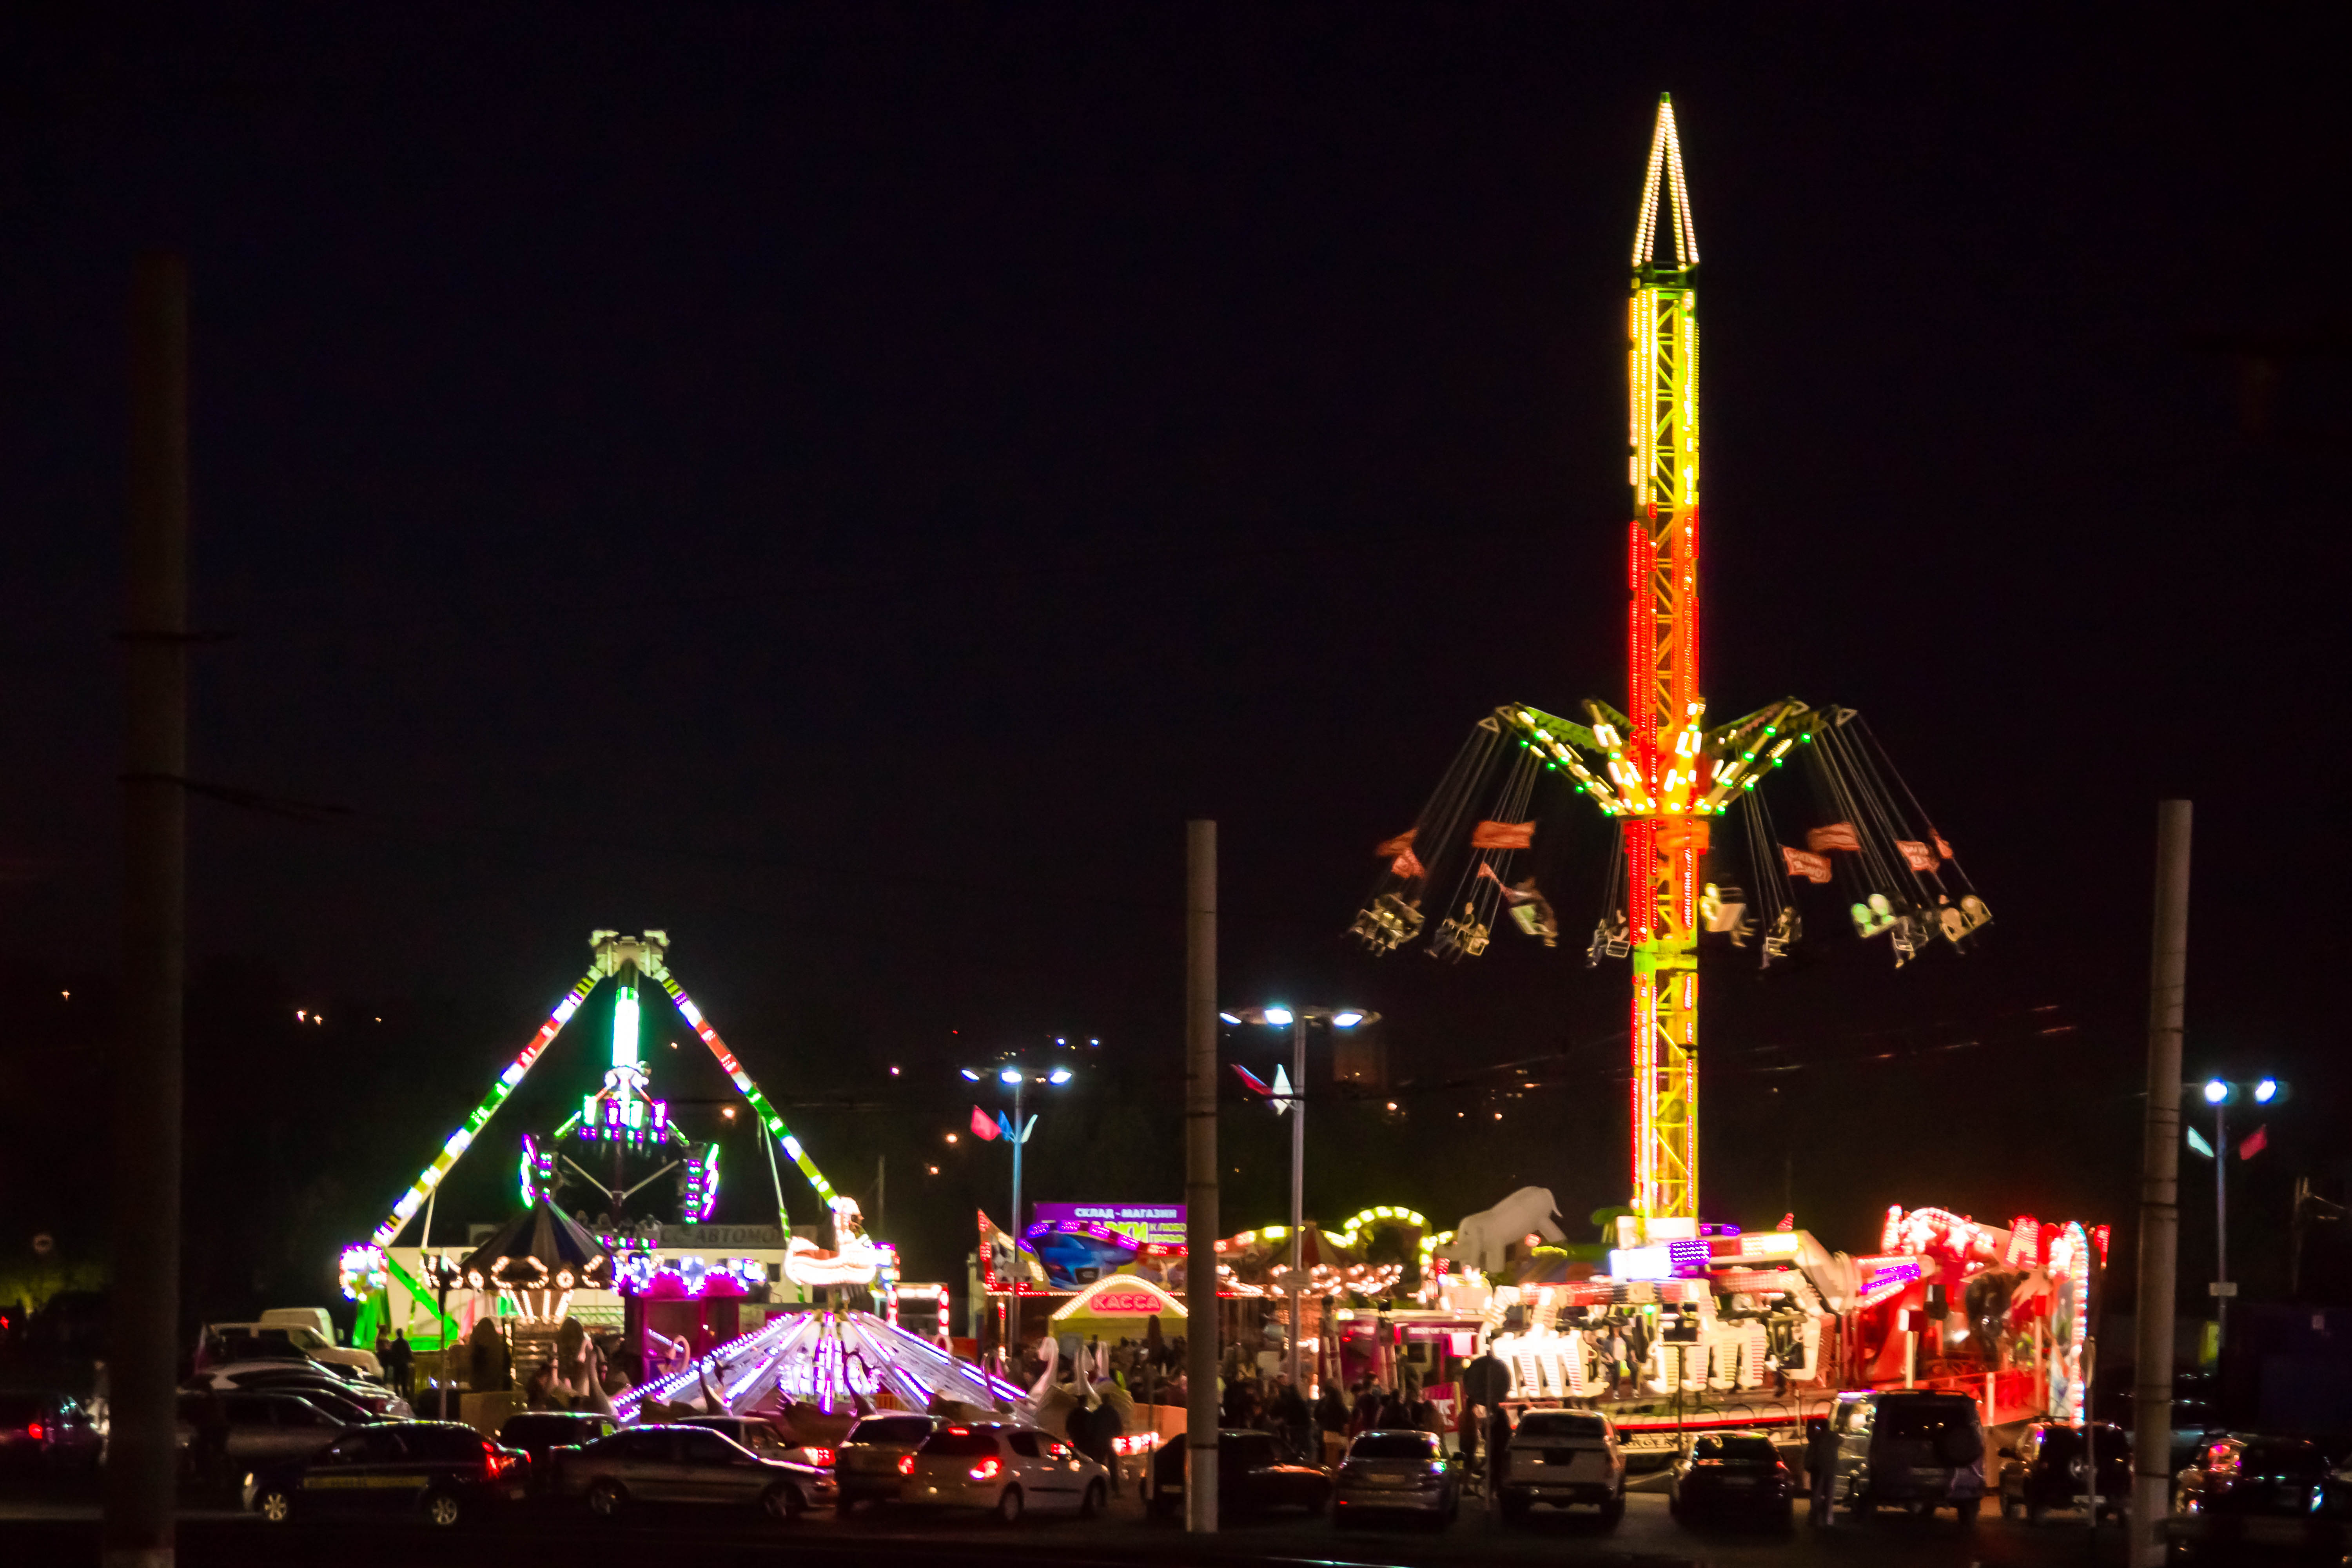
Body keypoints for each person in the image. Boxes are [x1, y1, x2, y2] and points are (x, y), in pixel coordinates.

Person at [1271, 1375, 1309, 1461]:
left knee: (1294, 1442)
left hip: (1295, 1426)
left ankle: (1294, 1455)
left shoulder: (1289, 1401)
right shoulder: (1298, 1401)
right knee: (1297, 1443)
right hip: (1299, 1426)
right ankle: (1297, 1455)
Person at [1314, 1379, 1349, 1468]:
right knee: (1335, 1461)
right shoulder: (1339, 1406)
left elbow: (1316, 1415)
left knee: (1327, 1458)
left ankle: (1326, 1474)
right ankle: (1333, 1478)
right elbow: (1347, 1417)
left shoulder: (1323, 1403)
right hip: (1336, 1435)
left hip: (1325, 1434)